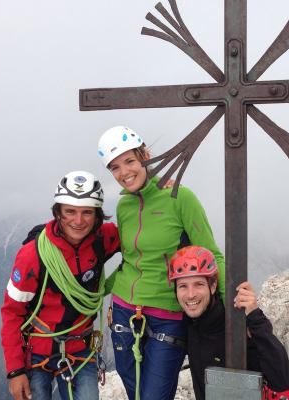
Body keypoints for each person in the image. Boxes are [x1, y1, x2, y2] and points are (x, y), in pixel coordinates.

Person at [97, 126, 225, 399]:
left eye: (130, 161)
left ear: (145, 156)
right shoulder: (124, 207)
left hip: (168, 315)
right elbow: (130, 259)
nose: (124, 173)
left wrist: (233, 315)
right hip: (123, 312)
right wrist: (95, 291)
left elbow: (211, 255)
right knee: (135, 394)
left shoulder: (180, 197)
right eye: (115, 167)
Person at [0, 171, 120, 400]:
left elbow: (140, 232)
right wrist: (15, 371)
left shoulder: (101, 239)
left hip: (80, 350)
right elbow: (12, 313)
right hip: (37, 355)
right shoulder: (32, 255)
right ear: (58, 213)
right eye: (70, 212)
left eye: (87, 212)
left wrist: (156, 191)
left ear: (97, 216)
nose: (78, 221)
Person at [168, 245, 289, 400]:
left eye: (198, 284)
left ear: (212, 287)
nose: (190, 294)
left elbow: (282, 380)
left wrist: (255, 316)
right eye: (183, 286)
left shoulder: (236, 326)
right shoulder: (189, 324)